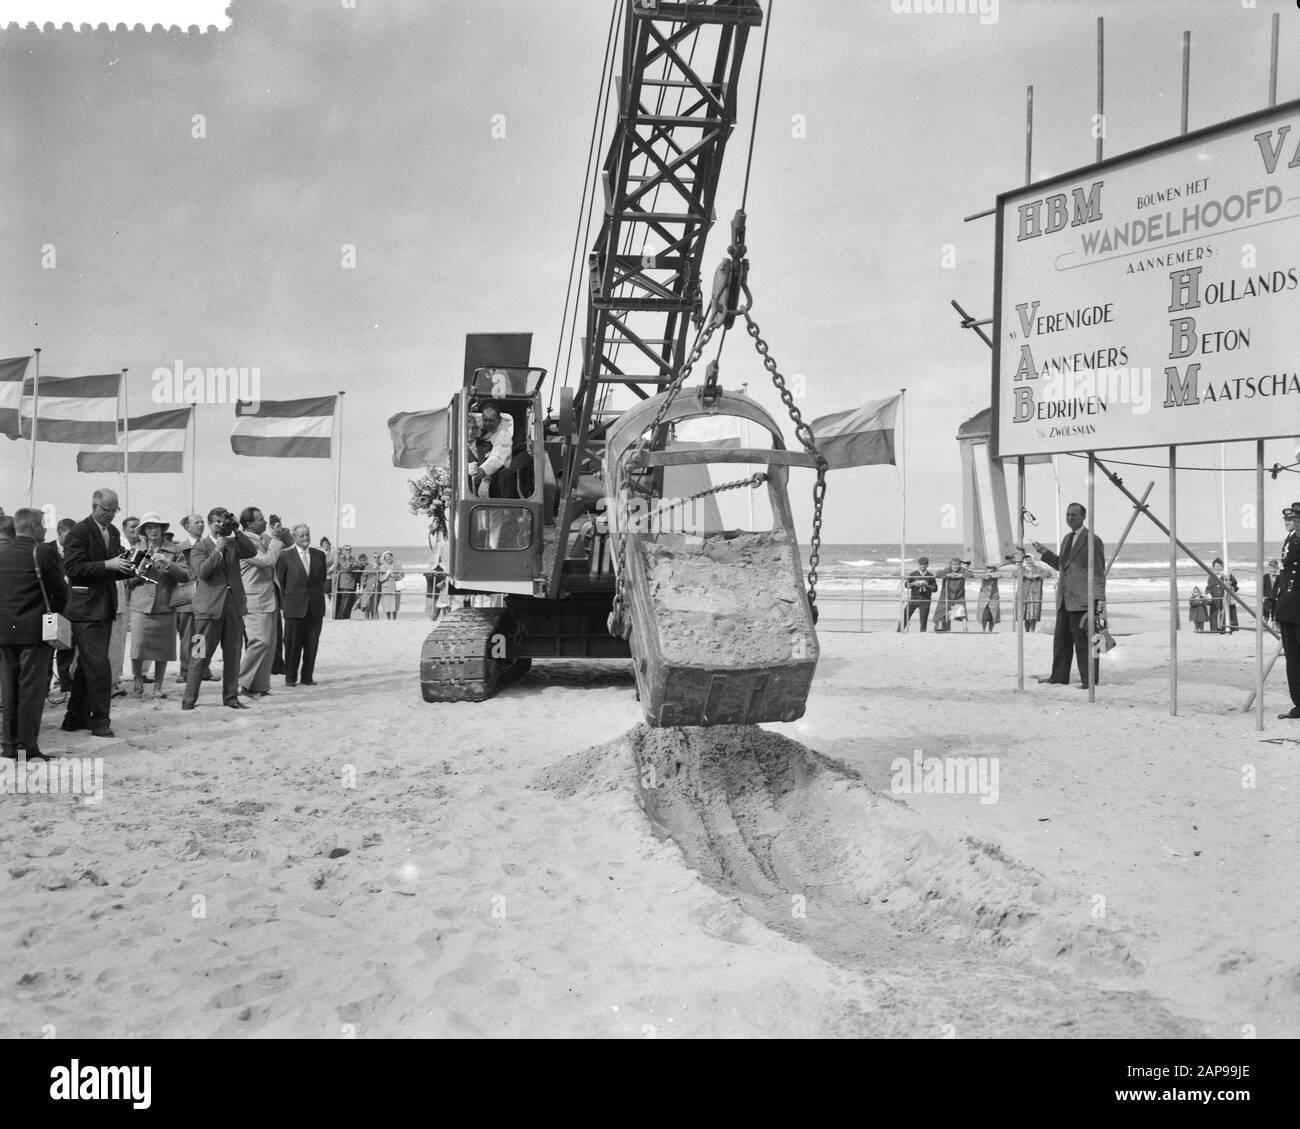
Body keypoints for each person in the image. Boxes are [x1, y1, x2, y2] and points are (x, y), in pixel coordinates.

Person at [62, 488, 135, 737]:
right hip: (85, 610)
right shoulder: (79, 532)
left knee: (87, 664)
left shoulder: (112, 532)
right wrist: (108, 564)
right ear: (94, 506)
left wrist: (134, 567)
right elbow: (72, 568)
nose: (112, 515)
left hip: (104, 607)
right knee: (99, 666)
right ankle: (100, 720)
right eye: (108, 510)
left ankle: (74, 718)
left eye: (115, 510)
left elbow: (113, 570)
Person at [0, 508, 68, 760]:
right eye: (42, 525)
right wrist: (56, 613)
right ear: (33, 527)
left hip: (5, 633)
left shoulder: (2, 552)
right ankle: (26, 747)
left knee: (9, 690)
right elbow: (60, 592)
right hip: (34, 633)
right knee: (31, 691)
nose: (45, 530)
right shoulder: (43, 551)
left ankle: (8, 746)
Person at [181, 507, 258, 710]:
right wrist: (217, 550)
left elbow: (252, 551)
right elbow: (201, 572)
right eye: (217, 521)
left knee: (233, 655)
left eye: (223, 521)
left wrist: (238, 531)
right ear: (209, 523)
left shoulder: (233, 544)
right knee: (199, 655)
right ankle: (189, 699)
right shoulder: (200, 546)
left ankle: (231, 697)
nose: (220, 525)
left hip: (233, 606)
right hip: (207, 610)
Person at [1032, 501, 1106, 689]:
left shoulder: (1092, 540)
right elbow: (1061, 565)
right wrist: (1044, 553)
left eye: (1074, 514)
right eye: (1067, 514)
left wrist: (1097, 599)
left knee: (1085, 642)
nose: (1070, 518)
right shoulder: (1066, 539)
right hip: (1064, 598)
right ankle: (1058, 676)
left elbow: (1098, 571)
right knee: (1061, 640)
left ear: (1083, 517)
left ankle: (1089, 680)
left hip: (1083, 600)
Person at [126, 513, 190, 699]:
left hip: (165, 603)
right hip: (141, 604)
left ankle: (158, 687)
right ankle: (138, 679)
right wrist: (140, 572)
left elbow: (186, 576)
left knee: (163, 649)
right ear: (144, 531)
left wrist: (169, 565)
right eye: (148, 527)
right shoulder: (137, 549)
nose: (153, 530)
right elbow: (126, 581)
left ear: (163, 529)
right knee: (138, 646)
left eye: (156, 527)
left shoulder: (174, 550)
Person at [275, 523, 327, 686]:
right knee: (292, 645)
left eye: (307, 535)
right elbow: (280, 581)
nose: (305, 538)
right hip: (294, 607)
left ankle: (307, 677)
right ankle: (290, 678)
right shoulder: (285, 556)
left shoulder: (319, 555)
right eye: (302, 535)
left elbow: (322, 578)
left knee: (311, 645)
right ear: (295, 537)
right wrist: (289, 601)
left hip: (315, 607)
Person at [237, 507, 279, 699]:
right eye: (260, 520)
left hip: (268, 598)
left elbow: (289, 544)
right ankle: (241, 683)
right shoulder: (244, 543)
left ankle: (260, 687)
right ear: (249, 524)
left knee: (269, 646)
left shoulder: (263, 539)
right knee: (259, 642)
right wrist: (276, 538)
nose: (264, 522)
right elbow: (268, 561)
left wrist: (279, 532)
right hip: (254, 599)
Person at [173, 512, 209, 686]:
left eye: (202, 522)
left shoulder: (208, 545)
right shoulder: (180, 548)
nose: (201, 525)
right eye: (196, 523)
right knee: (187, 635)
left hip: (205, 596)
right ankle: (186, 670)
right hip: (187, 596)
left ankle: (202, 669)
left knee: (200, 636)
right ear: (187, 527)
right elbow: (179, 570)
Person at [1275, 503, 1300, 721]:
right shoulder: (1289, 541)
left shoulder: (1297, 541)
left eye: (1293, 519)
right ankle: (1298, 703)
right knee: (1292, 658)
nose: (1289, 522)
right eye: (1288, 520)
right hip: (1288, 607)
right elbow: (1283, 574)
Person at [934, 557, 974, 633]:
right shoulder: (947, 569)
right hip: (946, 595)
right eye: (953, 564)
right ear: (950, 565)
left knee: (962, 611)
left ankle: (965, 628)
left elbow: (970, 574)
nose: (955, 566)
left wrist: (960, 575)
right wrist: (948, 575)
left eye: (957, 565)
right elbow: (938, 574)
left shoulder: (961, 570)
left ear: (959, 565)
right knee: (942, 612)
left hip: (959, 595)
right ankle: (946, 628)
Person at [902, 557, 937, 632]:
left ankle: (922, 633)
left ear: (927, 565)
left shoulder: (930, 575)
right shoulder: (913, 574)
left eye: (925, 564)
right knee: (905, 615)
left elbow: (935, 589)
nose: (923, 566)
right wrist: (914, 583)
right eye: (921, 564)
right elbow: (906, 585)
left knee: (923, 619)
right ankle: (899, 631)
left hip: (925, 599)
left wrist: (927, 585)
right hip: (914, 598)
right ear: (919, 565)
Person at [1206, 558, 1239, 634]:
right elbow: (1208, 587)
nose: (1218, 568)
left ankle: (1225, 629)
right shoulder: (1211, 577)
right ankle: (1214, 629)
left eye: (1219, 566)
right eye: (1216, 566)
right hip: (1215, 599)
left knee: (1226, 614)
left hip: (1224, 598)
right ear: (1213, 567)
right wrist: (1208, 594)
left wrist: (1228, 579)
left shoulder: (1226, 575)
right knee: (1214, 614)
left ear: (1222, 567)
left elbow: (1234, 582)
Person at [1016, 558, 1045, 632]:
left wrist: (1037, 575)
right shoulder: (1021, 569)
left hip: (1035, 595)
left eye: (1030, 559)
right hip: (1025, 595)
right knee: (1026, 615)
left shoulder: (1038, 568)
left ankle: (1032, 631)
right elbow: (1014, 573)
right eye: (1027, 560)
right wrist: (1025, 575)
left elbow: (1048, 573)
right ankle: (1027, 631)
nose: (1029, 561)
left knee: (1034, 615)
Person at [334, 545, 359, 619]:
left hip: (352, 583)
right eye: (346, 549)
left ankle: (347, 617)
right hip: (344, 584)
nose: (348, 551)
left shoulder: (353, 558)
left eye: (349, 549)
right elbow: (346, 567)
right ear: (343, 550)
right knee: (343, 602)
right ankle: (341, 617)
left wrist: (352, 565)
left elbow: (359, 565)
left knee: (350, 602)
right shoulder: (341, 558)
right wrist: (351, 565)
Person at [378, 551, 404, 619]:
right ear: (384, 559)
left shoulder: (397, 566)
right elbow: (380, 579)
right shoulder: (382, 567)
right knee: (387, 604)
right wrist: (387, 575)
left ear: (392, 557)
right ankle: (388, 618)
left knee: (395, 604)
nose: (388, 558)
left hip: (395, 587)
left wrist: (394, 575)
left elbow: (402, 575)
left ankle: (395, 618)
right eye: (386, 557)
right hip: (386, 587)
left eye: (389, 556)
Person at [976, 565, 1001, 632]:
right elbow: (977, 575)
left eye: (991, 569)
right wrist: (986, 575)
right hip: (984, 597)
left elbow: (999, 575)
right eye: (988, 569)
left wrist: (991, 575)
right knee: (984, 615)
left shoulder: (996, 574)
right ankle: (983, 629)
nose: (989, 570)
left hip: (993, 597)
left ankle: (990, 630)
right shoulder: (983, 574)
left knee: (993, 615)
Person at [357, 553, 378, 619]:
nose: (376, 558)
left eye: (377, 557)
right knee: (366, 604)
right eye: (374, 557)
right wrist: (362, 585)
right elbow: (364, 576)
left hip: (376, 587)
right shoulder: (367, 566)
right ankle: (366, 618)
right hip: (367, 586)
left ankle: (374, 618)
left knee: (374, 604)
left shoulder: (379, 566)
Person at [1263, 558, 1281, 626]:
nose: (1270, 569)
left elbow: (1280, 586)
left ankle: (1275, 626)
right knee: (1266, 612)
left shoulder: (1279, 576)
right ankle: (1265, 625)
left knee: (1275, 613)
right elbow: (1262, 587)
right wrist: (1264, 595)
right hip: (1267, 597)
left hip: (1275, 597)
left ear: (1275, 568)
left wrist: (1278, 595)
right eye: (1269, 567)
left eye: (1272, 567)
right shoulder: (1265, 577)